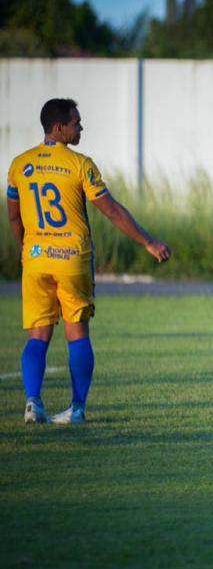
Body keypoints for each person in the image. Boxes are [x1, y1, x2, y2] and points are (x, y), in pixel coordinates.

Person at [6, 98, 171, 424]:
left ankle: (32, 402)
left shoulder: (18, 165)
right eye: (76, 123)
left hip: (36, 259)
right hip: (72, 259)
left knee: (37, 335)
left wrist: (27, 246)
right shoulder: (80, 164)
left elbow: (13, 216)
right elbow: (110, 209)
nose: (80, 128)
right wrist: (149, 241)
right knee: (77, 332)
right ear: (58, 127)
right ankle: (77, 409)